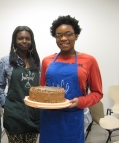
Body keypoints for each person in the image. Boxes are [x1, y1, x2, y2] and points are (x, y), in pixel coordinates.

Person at [39, 15, 103, 143]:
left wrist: (80, 101)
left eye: (68, 34)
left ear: (76, 35)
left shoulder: (89, 61)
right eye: (59, 35)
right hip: (49, 118)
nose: (63, 38)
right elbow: (42, 89)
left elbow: (97, 93)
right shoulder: (47, 61)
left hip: (73, 118)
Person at [0, 26, 41, 143]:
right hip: (14, 114)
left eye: (27, 38)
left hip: (32, 113)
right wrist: (6, 104)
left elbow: (39, 86)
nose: (24, 41)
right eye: (20, 38)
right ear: (14, 41)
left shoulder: (36, 61)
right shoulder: (5, 61)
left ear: (32, 41)